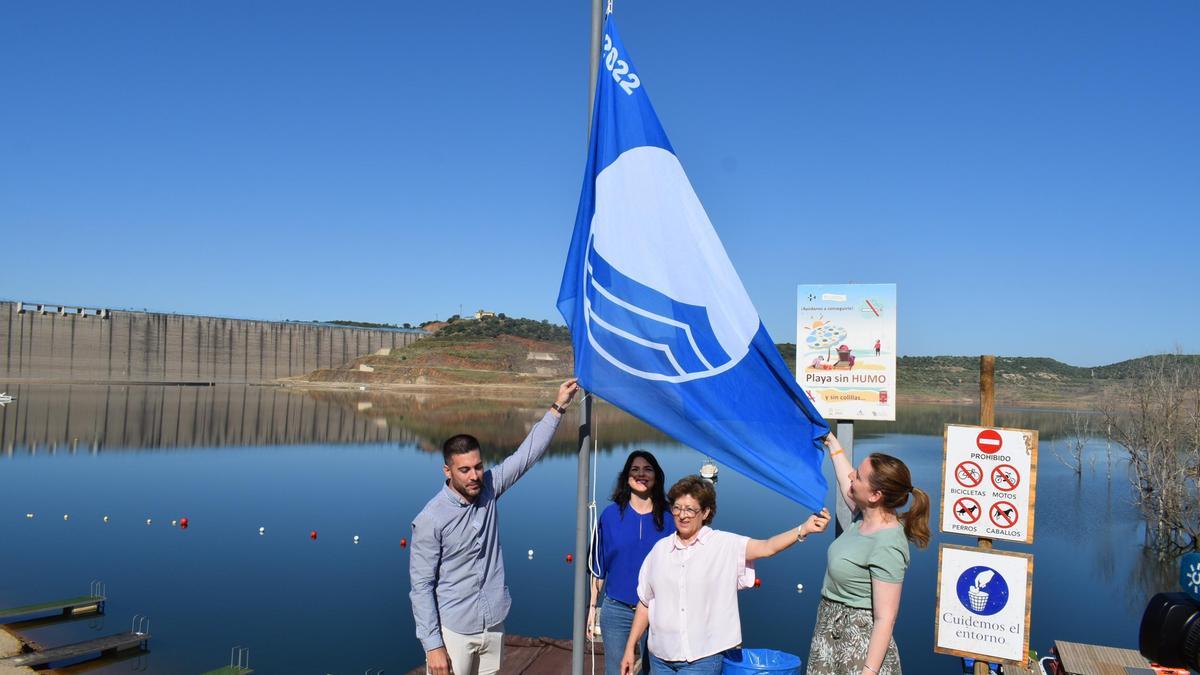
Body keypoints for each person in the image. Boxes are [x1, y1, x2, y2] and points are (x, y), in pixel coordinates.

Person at [409, 379, 581, 675]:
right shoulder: (431, 519)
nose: (474, 475)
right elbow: (421, 587)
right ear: (447, 471)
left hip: (494, 622)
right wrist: (432, 645)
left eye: (478, 466)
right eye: (465, 470)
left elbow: (526, 456)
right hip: (456, 630)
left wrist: (559, 406)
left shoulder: (489, 486)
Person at [621, 476, 831, 675]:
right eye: (677, 508)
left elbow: (767, 547)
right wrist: (630, 647)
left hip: (702, 659)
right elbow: (646, 602)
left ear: (705, 512)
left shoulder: (724, 545)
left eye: (690, 510)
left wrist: (803, 529)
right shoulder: (659, 550)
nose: (682, 515)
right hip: (659, 658)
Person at [806, 434, 931, 675]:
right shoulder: (863, 516)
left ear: (875, 495)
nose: (852, 475)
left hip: (859, 649)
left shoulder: (888, 544)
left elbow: (885, 619)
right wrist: (832, 442)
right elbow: (846, 481)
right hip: (830, 636)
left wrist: (869, 672)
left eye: (859, 476)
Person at [588, 451, 675, 675]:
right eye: (635, 470)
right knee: (616, 671)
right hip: (616, 610)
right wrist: (592, 608)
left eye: (647, 469)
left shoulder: (669, 518)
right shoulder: (609, 516)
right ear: (626, 476)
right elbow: (598, 568)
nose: (641, 474)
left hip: (658, 611)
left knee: (653, 671)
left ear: (656, 476)